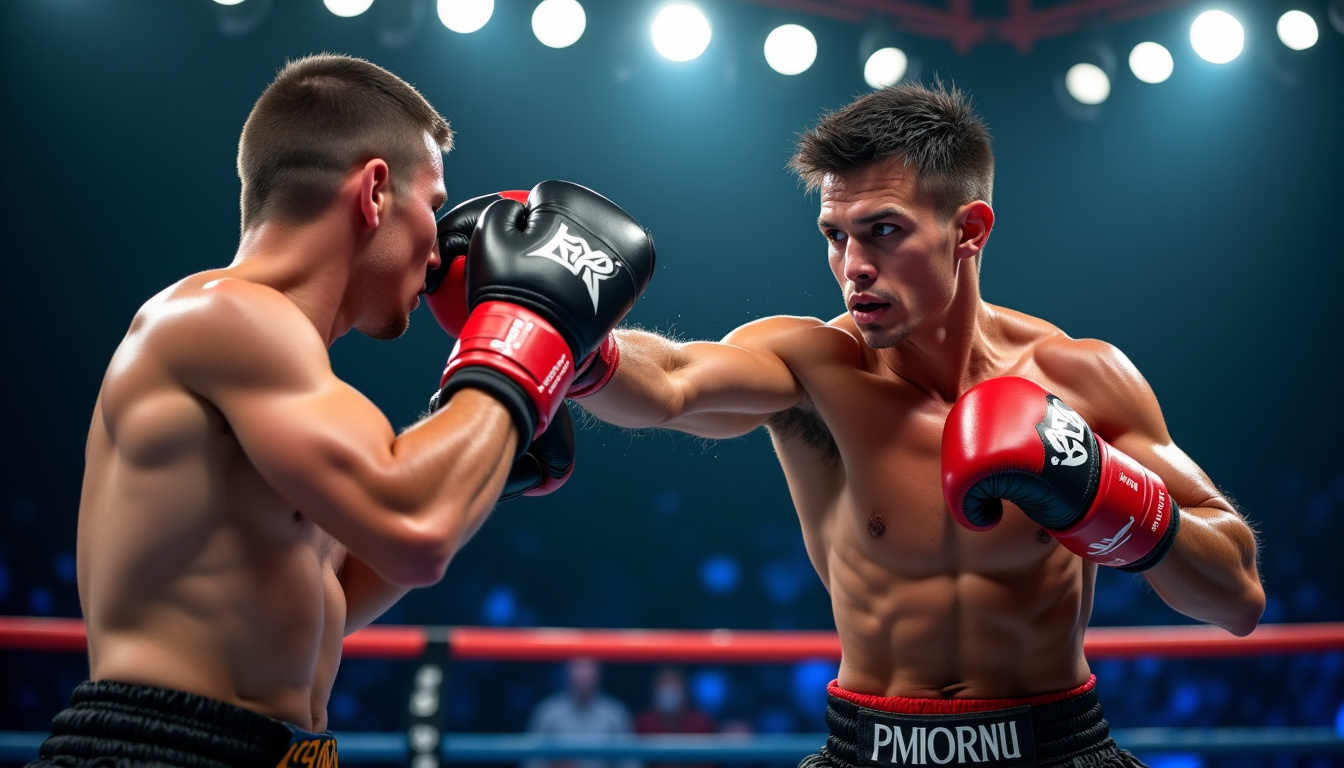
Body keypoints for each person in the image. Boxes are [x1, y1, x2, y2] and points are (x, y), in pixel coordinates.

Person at [569, 83, 1264, 767]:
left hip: (1056, 749)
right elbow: (668, 381)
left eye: (884, 231)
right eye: (835, 236)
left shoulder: (1078, 380)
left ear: (969, 229)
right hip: (867, 751)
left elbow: (1237, 595)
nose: (854, 267)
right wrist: (561, 332)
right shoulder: (816, 369)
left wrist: (1104, 494)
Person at [31, 53, 654, 767]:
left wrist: (483, 460)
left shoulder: (287, 376)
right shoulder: (223, 316)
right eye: (434, 202)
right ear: (375, 192)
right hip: (160, 753)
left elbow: (331, 597)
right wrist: (523, 336)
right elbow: (415, 530)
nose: (443, 244)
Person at [525, 658, 641, 768]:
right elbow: (533, 762)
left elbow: (630, 762)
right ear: (567, 671)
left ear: (599, 672)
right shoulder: (548, 711)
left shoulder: (615, 713)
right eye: (578, 667)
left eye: (588, 668)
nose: (583, 674)